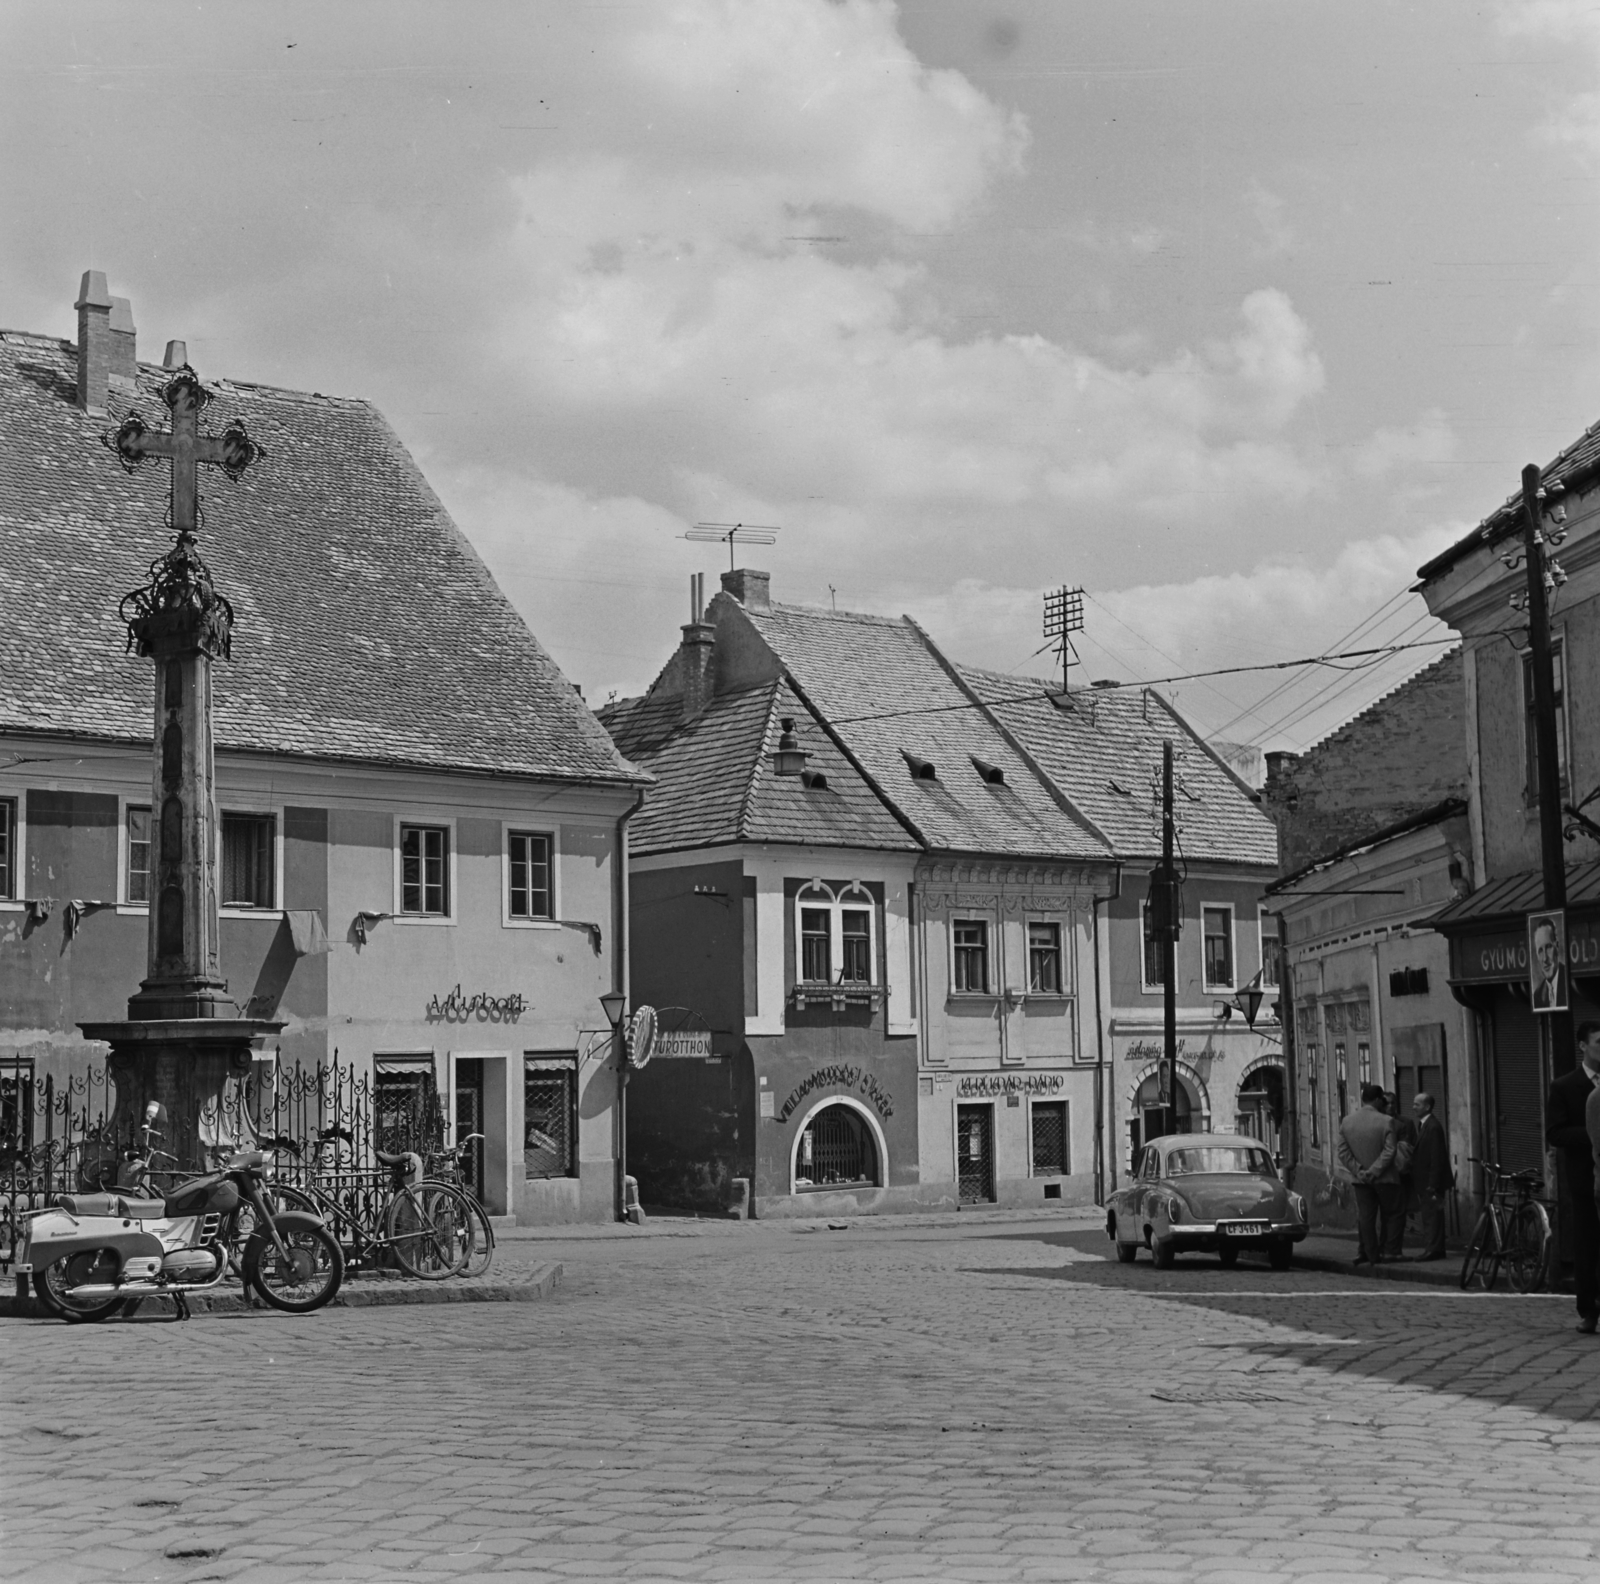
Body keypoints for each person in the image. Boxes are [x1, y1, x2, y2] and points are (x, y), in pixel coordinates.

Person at [1545, 1020, 1600, 1334]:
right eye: (1598, 1042)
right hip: (1584, 1180)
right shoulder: (1565, 1086)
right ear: (1583, 1045)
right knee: (1587, 1243)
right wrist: (1594, 1135)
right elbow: (1555, 1132)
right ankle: (1588, 1309)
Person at [1338, 1083, 1399, 1266]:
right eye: (1383, 1100)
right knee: (1391, 1215)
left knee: (1366, 1217)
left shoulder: (1348, 1121)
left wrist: (1360, 1171)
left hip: (1360, 1180)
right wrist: (1374, 1171)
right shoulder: (1386, 1121)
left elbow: (1342, 1152)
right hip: (1385, 1179)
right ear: (1378, 1100)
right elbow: (1390, 1151)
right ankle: (1388, 1251)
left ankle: (1369, 1253)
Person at [1408, 1092, 1451, 1261]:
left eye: (1417, 1104)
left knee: (1432, 1216)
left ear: (1427, 1107)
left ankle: (1434, 1249)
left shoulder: (1432, 1126)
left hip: (1430, 1182)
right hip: (1426, 1180)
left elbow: (1436, 1157)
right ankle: (1434, 1248)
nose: (1413, 1107)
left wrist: (1432, 1184)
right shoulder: (1424, 1125)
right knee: (1429, 1216)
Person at [1383, 1089, 1418, 1259]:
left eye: (1393, 1103)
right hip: (1383, 1175)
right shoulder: (1379, 1122)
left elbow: (1412, 1148)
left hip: (1402, 1175)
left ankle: (1395, 1247)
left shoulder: (1406, 1123)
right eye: (1387, 1103)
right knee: (1385, 1214)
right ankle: (1386, 1247)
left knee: (1400, 1213)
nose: (1390, 1106)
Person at [1532, 918, 1565, 1010]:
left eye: (1548, 947)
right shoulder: (1537, 995)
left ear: (1557, 946)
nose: (1545, 958)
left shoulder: (1568, 981)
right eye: (1540, 951)